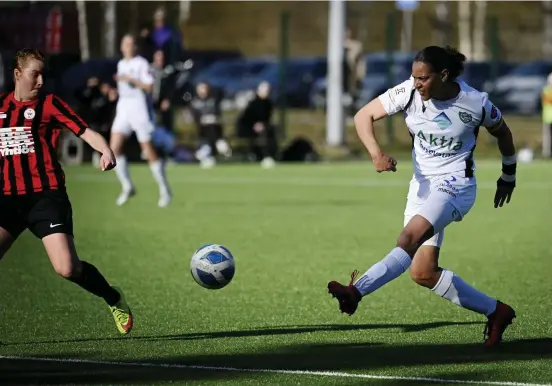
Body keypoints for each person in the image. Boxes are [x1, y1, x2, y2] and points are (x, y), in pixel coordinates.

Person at [327, 45, 517, 347]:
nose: (417, 83)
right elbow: (363, 116)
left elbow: (503, 133)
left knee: (407, 239)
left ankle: (356, 292)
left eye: (423, 78)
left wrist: (508, 175)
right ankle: (497, 312)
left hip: (455, 186)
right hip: (422, 187)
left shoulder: (475, 102)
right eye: (414, 77)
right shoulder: (409, 93)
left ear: (443, 75)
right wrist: (376, 154)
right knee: (422, 272)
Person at [0, 48, 133, 334]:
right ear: (17, 74)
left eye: (43, 75)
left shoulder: (50, 104)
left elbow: (83, 130)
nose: (40, 81)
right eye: (35, 74)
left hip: (45, 197)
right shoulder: (0, 108)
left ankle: (112, 296)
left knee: (67, 269)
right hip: (7, 200)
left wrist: (106, 150)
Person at [111, 34, 172, 207]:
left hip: (139, 108)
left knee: (148, 150)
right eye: (126, 43)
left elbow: (149, 86)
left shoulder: (141, 63)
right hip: (123, 108)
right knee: (113, 149)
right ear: (122, 47)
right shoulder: (121, 64)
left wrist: (132, 80)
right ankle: (127, 185)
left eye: (131, 43)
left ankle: (164, 189)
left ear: (135, 47)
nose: (128, 47)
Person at [189, 82, 231, 168]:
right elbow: (194, 116)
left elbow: (217, 113)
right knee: (208, 128)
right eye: (201, 89)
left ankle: (214, 147)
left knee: (212, 125)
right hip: (201, 128)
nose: (203, 91)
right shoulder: (195, 102)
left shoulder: (213, 100)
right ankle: (217, 145)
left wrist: (212, 118)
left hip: (215, 127)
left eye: (204, 88)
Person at [236, 81, 278, 168]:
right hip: (247, 127)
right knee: (262, 134)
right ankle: (262, 155)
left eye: (267, 90)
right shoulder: (253, 103)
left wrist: (262, 124)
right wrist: (254, 125)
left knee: (270, 131)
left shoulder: (269, 103)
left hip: (261, 127)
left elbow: (266, 118)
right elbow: (246, 118)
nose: (266, 92)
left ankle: (270, 155)